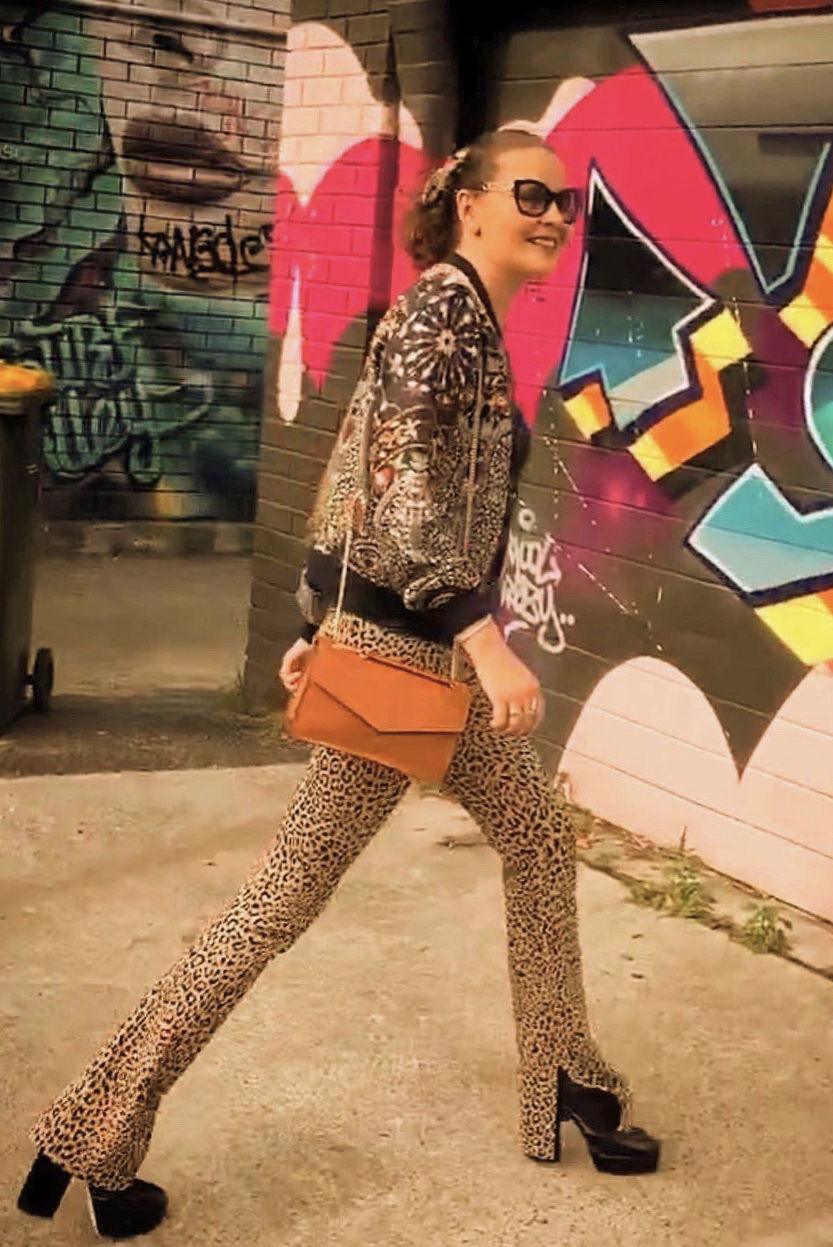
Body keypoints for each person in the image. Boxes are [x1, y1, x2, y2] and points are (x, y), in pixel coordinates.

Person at [17, 128, 660, 1242]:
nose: (556, 215)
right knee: (275, 905)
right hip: (412, 664)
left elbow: (350, 471)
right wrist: (481, 639)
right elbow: (401, 502)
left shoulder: (458, 317)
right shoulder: (442, 318)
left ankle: (569, 1076)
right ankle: (94, 1127)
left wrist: (320, 617)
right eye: (533, 193)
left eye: (568, 202)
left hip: (403, 649)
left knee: (537, 839)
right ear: (470, 201)